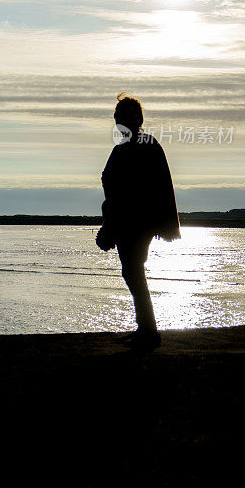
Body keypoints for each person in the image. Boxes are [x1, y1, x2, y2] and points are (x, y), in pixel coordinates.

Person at [96, 94, 180, 351]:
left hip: (137, 222)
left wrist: (163, 224)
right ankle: (145, 329)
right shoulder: (122, 149)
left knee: (133, 271)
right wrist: (109, 224)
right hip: (122, 222)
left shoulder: (145, 145)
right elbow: (112, 189)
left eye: (128, 116)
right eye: (119, 116)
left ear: (139, 119)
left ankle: (148, 331)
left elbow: (158, 187)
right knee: (132, 272)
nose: (122, 120)